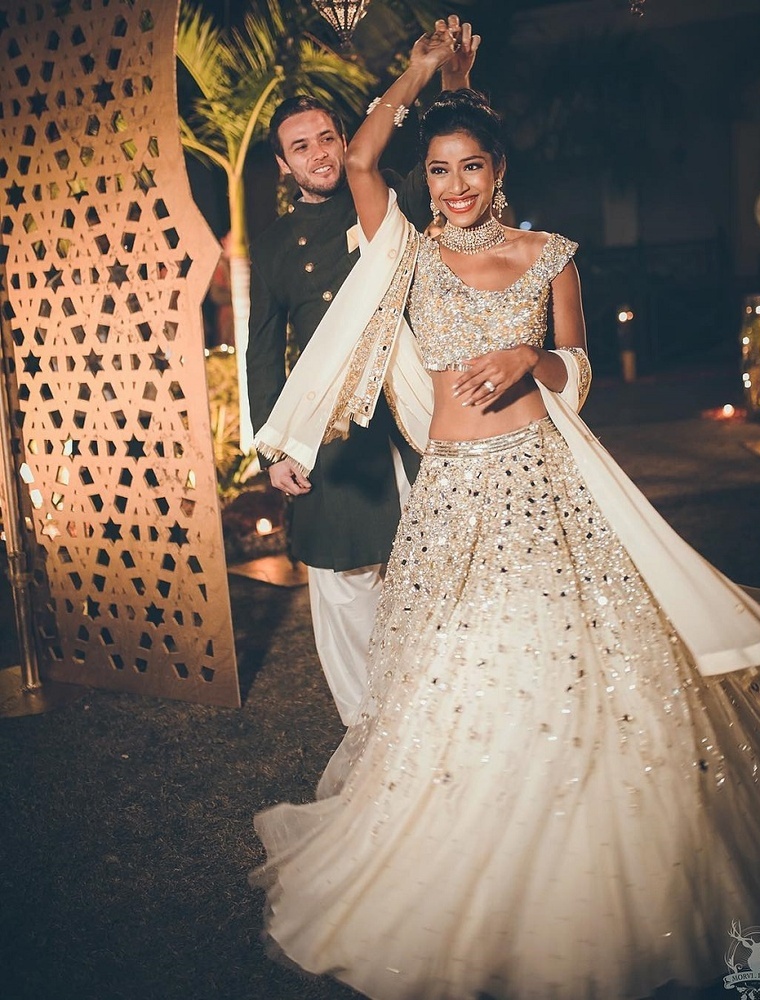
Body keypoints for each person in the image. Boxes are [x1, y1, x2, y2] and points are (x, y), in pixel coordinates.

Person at [250, 19, 760, 1000]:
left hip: (543, 494)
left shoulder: (550, 254)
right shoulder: (407, 254)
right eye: (438, 171)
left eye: (470, 167)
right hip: (449, 503)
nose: (453, 187)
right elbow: (365, 152)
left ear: (497, 168)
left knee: (569, 666)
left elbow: (578, 372)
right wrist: (424, 71)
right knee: (446, 679)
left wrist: (530, 359)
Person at [247, 32, 476, 727]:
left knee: (437, 568)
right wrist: (272, 448)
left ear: (345, 140)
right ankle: (366, 731)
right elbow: (261, 349)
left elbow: (451, 147)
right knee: (346, 589)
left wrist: (448, 76)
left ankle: (436, 720)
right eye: (301, 147)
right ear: (285, 166)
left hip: (409, 417)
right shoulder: (280, 244)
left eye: (326, 138)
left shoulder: (386, 197)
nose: (318, 154)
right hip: (333, 435)